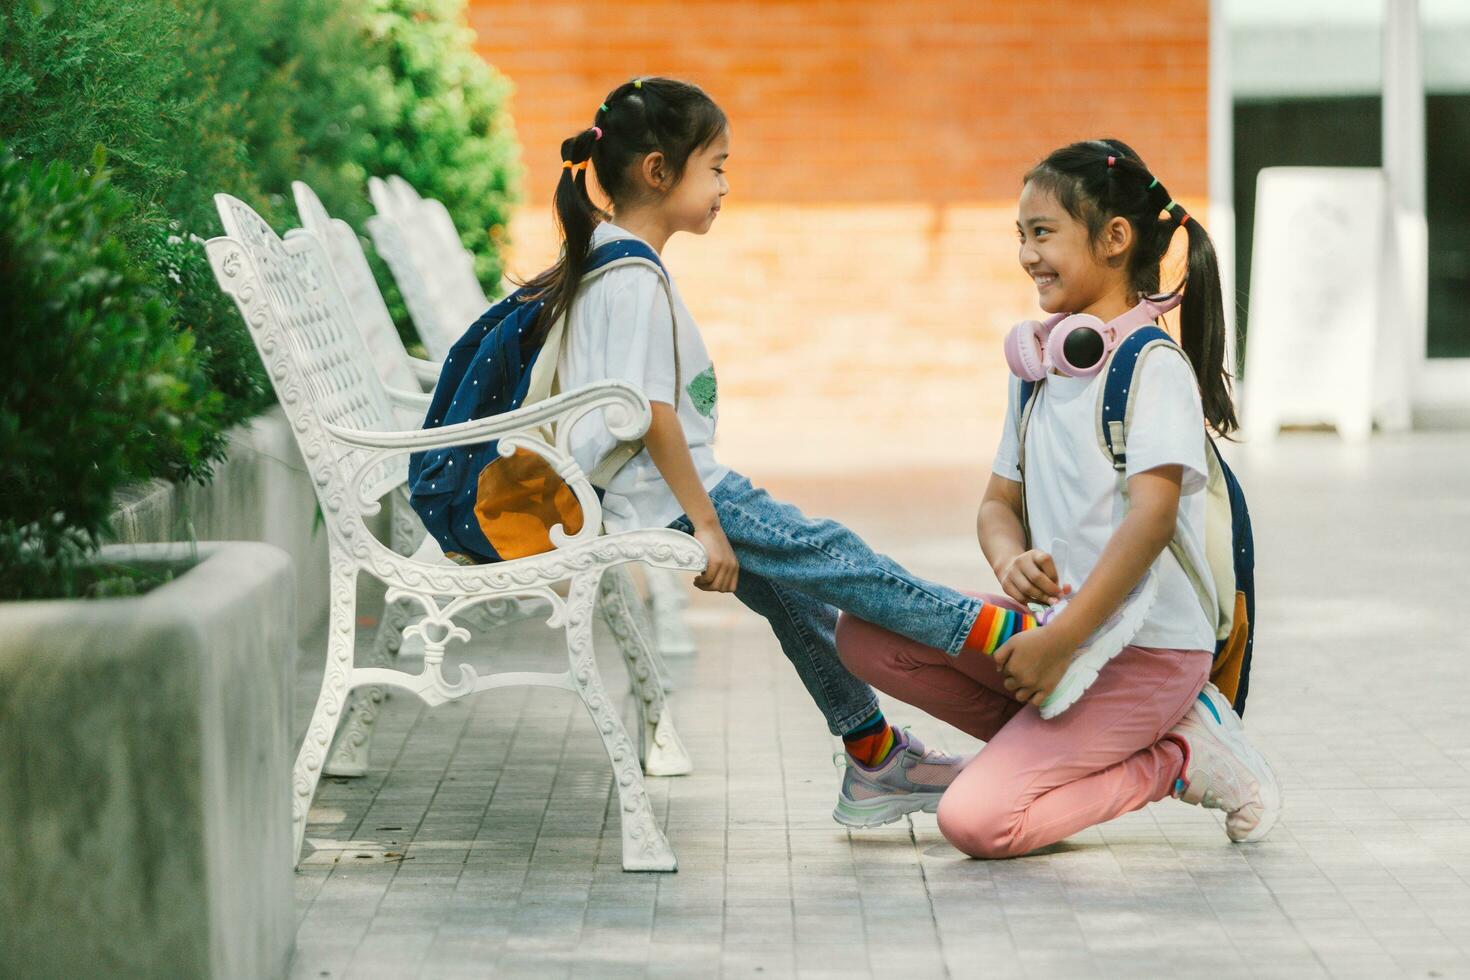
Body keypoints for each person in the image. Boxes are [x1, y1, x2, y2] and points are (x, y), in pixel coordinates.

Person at [525, 77, 1056, 827]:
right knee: (830, 554)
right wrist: (706, 523)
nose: (724, 186)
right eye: (715, 167)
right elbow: (649, 413)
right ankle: (1005, 634)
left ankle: (873, 758)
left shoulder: (610, 261)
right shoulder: (633, 275)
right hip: (671, 495)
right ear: (657, 171)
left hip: (646, 494)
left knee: (795, 597)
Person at [836, 139, 1282, 858]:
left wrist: (1059, 643)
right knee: (864, 631)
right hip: (1058, 636)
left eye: (1042, 233)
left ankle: (1183, 755)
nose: (1026, 254)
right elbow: (996, 503)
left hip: (1146, 654)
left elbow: (1152, 515)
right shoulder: (1039, 366)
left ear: (1114, 238)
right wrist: (1009, 559)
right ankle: (1047, 752)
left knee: (977, 823)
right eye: (1020, 236)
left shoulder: (1151, 367)